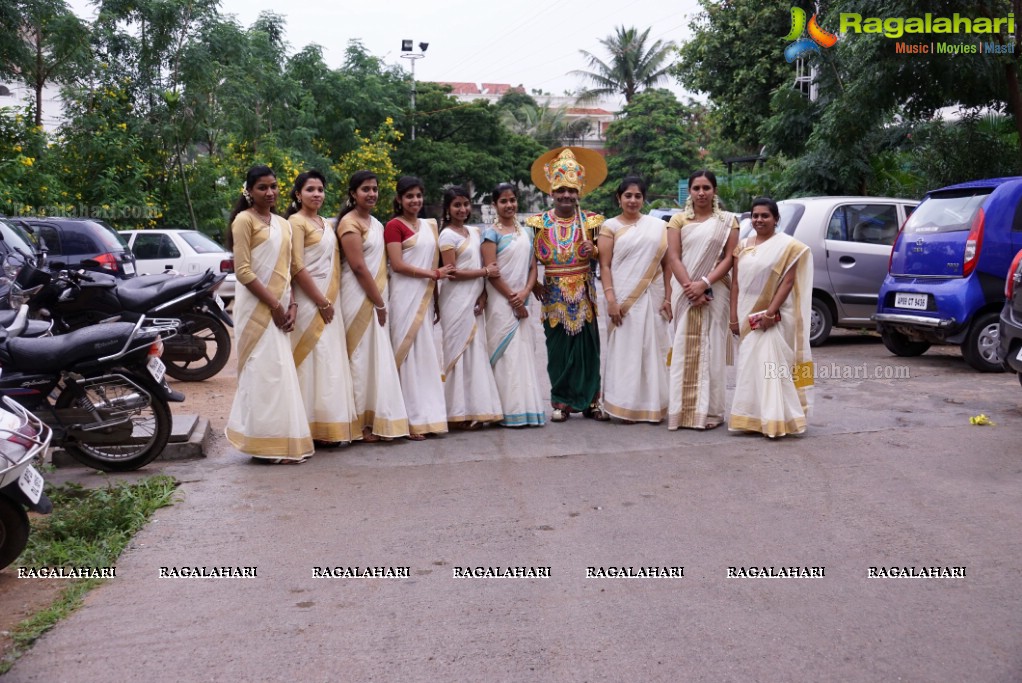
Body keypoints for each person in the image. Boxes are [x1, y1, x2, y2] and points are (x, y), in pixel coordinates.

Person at [224, 165, 314, 463]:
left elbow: (291, 267)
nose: (270, 192)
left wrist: (292, 305)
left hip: (281, 305)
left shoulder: (284, 224)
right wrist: (274, 306)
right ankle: (262, 445)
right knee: (262, 371)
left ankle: (280, 440)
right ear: (248, 190)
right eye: (262, 187)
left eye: (274, 186)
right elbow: (243, 271)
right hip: (256, 308)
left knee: (279, 373)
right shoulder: (243, 221)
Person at [527, 147, 608, 423]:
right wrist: (532, 283)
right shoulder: (537, 223)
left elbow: (609, 256)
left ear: (579, 192)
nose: (566, 195)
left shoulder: (593, 222)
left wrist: (593, 250)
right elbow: (526, 258)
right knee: (558, 352)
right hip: (553, 295)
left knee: (589, 350)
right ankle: (561, 401)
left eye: (571, 190)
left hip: (585, 293)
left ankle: (592, 401)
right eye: (561, 189)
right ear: (552, 191)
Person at [285, 169, 360, 447]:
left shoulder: (326, 224)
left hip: (330, 300)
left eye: (320, 189)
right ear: (298, 194)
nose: (316, 194)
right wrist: (320, 301)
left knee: (329, 361)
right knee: (311, 360)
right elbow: (296, 266)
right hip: (310, 301)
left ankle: (329, 426)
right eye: (310, 190)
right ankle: (307, 426)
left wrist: (330, 301)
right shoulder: (295, 222)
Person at [728, 196, 813, 438]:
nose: (759, 219)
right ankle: (751, 417)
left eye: (765, 215)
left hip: (773, 316)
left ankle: (776, 419)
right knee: (749, 368)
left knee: (771, 366)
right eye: (755, 215)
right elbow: (736, 284)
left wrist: (769, 312)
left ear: (776, 219)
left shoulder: (789, 247)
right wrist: (734, 317)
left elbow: (787, 282)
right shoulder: (742, 246)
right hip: (746, 313)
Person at [336, 170, 410, 443]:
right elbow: (357, 267)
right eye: (365, 189)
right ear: (353, 193)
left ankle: (377, 417)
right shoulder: (349, 223)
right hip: (358, 297)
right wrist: (378, 302)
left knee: (375, 357)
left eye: (375, 189)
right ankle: (359, 422)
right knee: (360, 357)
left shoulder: (377, 224)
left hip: (377, 295)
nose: (371, 194)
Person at [665, 170, 740, 431]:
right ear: (690, 191)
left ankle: (712, 412)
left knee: (713, 348)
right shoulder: (677, 220)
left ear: (714, 191)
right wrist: (689, 288)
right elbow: (673, 257)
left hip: (715, 290)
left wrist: (704, 284)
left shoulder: (728, 221)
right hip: (685, 292)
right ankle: (683, 411)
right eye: (696, 187)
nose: (701, 192)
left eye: (706, 187)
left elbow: (731, 257)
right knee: (684, 346)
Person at [597, 176, 672, 423]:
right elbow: (605, 266)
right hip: (623, 297)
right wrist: (610, 299)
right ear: (618, 199)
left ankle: (654, 405)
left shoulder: (657, 226)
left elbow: (666, 264)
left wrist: (669, 298)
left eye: (637, 196)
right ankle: (623, 405)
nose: (632, 200)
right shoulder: (610, 226)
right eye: (627, 195)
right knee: (626, 350)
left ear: (643, 198)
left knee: (654, 348)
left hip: (654, 294)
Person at [384, 176, 453, 440]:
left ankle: (430, 416)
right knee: (407, 353)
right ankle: (409, 419)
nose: (415, 201)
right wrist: (433, 274)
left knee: (425, 354)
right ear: (399, 199)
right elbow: (397, 264)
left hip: (424, 294)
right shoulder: (393, 226)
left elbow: (433, 262)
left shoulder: (429, 226)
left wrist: (434, 296)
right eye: (409, 196)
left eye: (418, 196)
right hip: (404, 296)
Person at [437, 185, 503, 429]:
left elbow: (481, 266)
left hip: (474, 297)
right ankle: (457, 412)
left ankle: (478, 409)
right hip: (455, 300)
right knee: (458, 353)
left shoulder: (475, 232)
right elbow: (451, 273)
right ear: (448, 208)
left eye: (465, 204)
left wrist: (484, 292)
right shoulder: (447, 236)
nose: (462, 209)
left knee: (476, 352)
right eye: (457, 205)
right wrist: (485, 272)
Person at [481, 183, 545, 427]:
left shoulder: (527, 233)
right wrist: (512, 298)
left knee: (523, 353)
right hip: (501, 302)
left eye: (513, 200)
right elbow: (492, 272)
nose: (509, 205)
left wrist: (526, 292)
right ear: (495, 205)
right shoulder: (491, 235)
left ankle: (527, 409)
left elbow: (532, 267)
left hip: (523, 296)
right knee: (505, 355)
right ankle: (504, 410)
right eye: (504, 201)